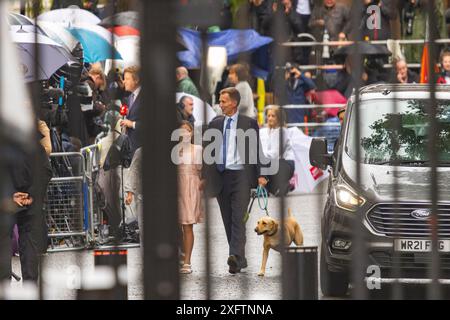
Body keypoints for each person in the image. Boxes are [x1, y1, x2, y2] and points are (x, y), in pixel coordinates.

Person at [202, 87, 267, 274]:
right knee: (228, 219)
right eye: (220, 101)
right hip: (221, 177)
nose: (220, 104)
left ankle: (233, 257)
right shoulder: (215, 124)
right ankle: (240, 258)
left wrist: (262, 174)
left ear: (234, 103)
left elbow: (257, 150)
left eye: (223, 101)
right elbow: (208, 153)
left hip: (242, 177)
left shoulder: (249, 123)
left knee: (238, 219)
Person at [175, 122, 204, 274]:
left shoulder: (198, 149)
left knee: (187, 225)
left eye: (187, 130)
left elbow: (202, 170)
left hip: (191, 188)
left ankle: (187, 261)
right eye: (182, 130)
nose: (185, 133)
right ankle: (180, 255)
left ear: (192, 133)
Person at [260, 105, 295, 196]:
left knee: (262, 163)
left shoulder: (282, 132)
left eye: (273, 116)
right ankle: (279, 187)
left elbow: (275, 154)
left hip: (285, 164)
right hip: (271, 161)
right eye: (268, 116)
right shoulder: (264, 131)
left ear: (279, 118)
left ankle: (279, 185)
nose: (270, 118)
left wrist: (260, 156)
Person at [120, 66, 142, 155]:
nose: (124, 81)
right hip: (132, 148)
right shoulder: (130, 97)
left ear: (136, 80)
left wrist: (132, 124)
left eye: (127, 79)